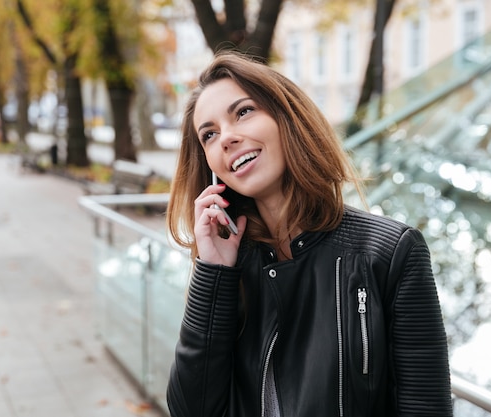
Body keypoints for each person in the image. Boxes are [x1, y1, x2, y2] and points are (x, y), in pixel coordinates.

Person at [165, 52, 452, 417]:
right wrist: (214, 274)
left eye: (243, 112)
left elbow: (425, 406)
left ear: (288, 118)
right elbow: (191, 410)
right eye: (209, 134)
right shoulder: (228, 264)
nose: (227, 138)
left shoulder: (390, 252)